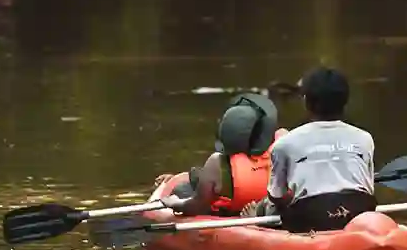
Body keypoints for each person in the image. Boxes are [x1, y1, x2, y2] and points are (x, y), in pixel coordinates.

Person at [248, 67, 376, 233]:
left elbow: (276, 196)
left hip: (310, 220)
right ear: (345, 100)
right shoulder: (365, 138)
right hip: (359, 214)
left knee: (268, 203)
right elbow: (368, 188)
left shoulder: (285, 143)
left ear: (306, 101)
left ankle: (253, 221)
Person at [157, 93, 288, 217]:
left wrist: (175, 203)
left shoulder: (216, 163)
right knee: (197, 177)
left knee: (182, 190)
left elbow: (197, 206)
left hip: (233, 208)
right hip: (271, 204)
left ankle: (194, 178)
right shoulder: (284, 140)